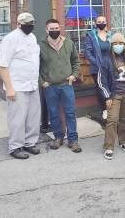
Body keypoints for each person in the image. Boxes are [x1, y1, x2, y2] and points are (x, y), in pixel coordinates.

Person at [0, 12, 41, 159]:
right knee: (17, 118)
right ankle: (15, 146)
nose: (29, 26)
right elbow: (3, 66)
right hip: (17, 86)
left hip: (32, 84)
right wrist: (9, 88)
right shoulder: (10, 39)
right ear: (18, 24)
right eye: (26, 24)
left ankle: (30, 142)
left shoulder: (32, 37)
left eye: (31, 24)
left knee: (34, 117)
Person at [39, 19, 82, 153]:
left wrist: (74, 75)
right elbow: (35, 66)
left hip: (66, 85)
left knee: (70, 112)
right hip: (50, 86)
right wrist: (42, 82)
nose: (54, 31)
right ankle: (58, 137)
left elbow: (76, 60)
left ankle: (73, 140)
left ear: (60, 28)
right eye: (51, 29)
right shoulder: (40, 45)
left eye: (56, 28)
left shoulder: (68, 43)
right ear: (47, 30)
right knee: (54, 113)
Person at [97, 32, 125, 160]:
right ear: (112, 45)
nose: (118, 46)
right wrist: (107, 96)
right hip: (114, 95)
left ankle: (123, 141)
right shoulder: (106, 59)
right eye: (115, 43)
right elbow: (101, 80)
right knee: (112, 120)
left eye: (121, 43)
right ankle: (109, 146)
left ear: (124, 45)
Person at [84, 15, 111, 123]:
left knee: (110, 87)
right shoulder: (91, 35)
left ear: (106, 22)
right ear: (96, 23)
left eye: (103, 21)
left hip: (110, 67)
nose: (101, 23)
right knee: (101, 89)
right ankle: (104, 109)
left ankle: (112, 109)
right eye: (99, 21)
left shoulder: (110, 34)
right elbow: (88, 52)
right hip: (97, 67)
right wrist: (97, 63)